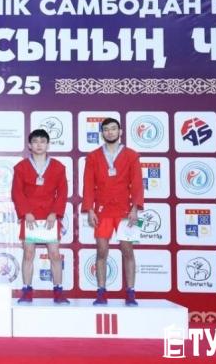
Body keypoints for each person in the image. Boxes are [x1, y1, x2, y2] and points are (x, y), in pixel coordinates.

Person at [81, 118, 144, 306]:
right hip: (102, 210)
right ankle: (101, 292)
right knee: (101, 250)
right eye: (106, 129)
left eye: (113, 129)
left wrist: (135, 208)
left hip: (125, 210)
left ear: (120, 131)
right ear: (102, 133)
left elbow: (137, 184)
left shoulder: (132, 155)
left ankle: (130, 292)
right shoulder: (93, 156)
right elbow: (88, 185)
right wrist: (90, 209)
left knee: (127, 250)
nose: (110, 132)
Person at [11, 129, 69, 305]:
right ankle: (27, 291)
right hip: (30, 217)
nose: (39, 145)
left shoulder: (58, 167)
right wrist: (26, 212)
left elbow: (63, 192)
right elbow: (17, 192)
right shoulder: (21, 167)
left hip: (50, 216)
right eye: (35, 141)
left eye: (42, 141)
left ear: (48, 145)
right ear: (29, 145)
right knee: (28, 254)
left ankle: (58, 291)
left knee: (55, 254)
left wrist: (55, 213)